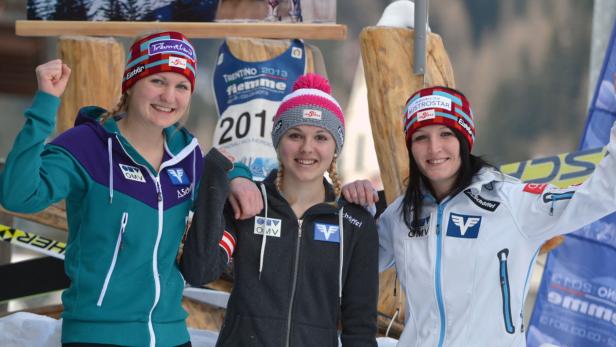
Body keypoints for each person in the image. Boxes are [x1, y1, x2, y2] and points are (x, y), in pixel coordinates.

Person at [0, 31, 258, 347]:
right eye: (158, 81)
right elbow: (18, 195)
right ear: (131, 84)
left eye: (181, 86)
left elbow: (221, 168)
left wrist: (240, 178)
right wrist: (44, 106)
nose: (169, 97)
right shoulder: (86, 147)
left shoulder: (185, 155)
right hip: (97, 336)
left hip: (171, 336)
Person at [341, 86, 616, 346]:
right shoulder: (402, 213)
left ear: (465, 139)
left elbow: (602, 194)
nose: (434, 148)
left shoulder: (512, 202)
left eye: (446, 134)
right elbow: (348, 264)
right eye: (421, 137)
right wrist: (355, 211)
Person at [181, 73, 379, 346]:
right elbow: (199, 271)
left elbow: (360, 326)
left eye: (321, 137)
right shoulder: (248, 204)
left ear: (336, 147)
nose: (307, 148)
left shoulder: (353, 222)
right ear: (277, 141)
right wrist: (217, 178)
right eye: (295, 135)